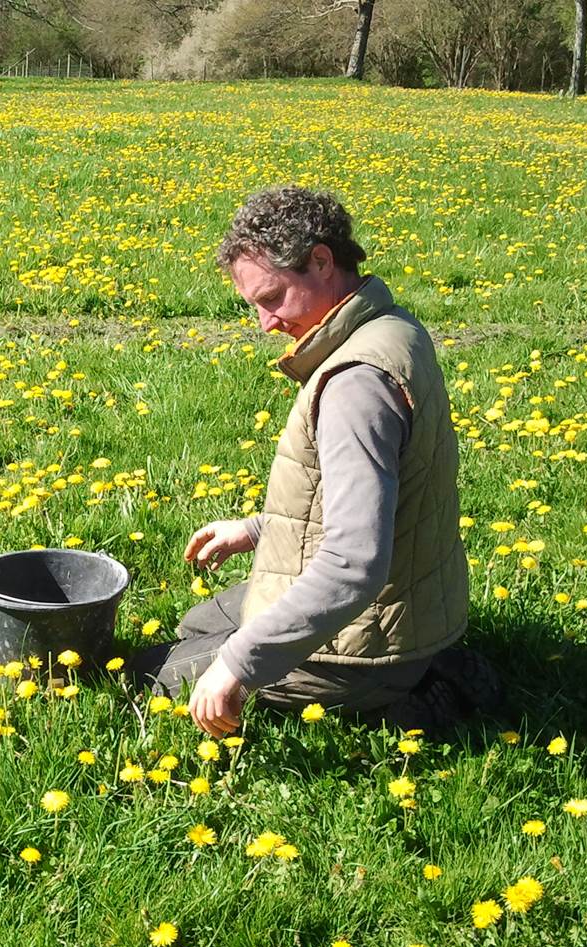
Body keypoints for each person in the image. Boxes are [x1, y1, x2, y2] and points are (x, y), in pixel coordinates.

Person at [128, 186, 500, 737]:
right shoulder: (392, 328)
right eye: (254, 304)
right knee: (197, 625)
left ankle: (406, 698)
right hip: (411, 603)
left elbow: (354, 564)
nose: (265, 323)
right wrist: (257, 529)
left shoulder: (357, 383)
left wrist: (237, 664)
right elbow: (381, 496)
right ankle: (421, 665)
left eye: (273, 297)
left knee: (142, 679)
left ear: (322, 261)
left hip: (364, 646)